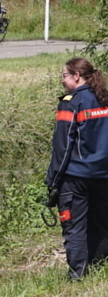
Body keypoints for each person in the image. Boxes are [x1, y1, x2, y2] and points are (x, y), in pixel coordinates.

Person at [46, 58, 108, 280]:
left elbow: (62, 148)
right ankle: (99, 269)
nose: (62, 80)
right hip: (103, 175)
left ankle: (77, 276)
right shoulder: (104, 99)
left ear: (76, 76)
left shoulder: (71, 103)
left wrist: (52, 182)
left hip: (76, 177)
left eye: (64, 75)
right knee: (100, 224)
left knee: (74, 226)